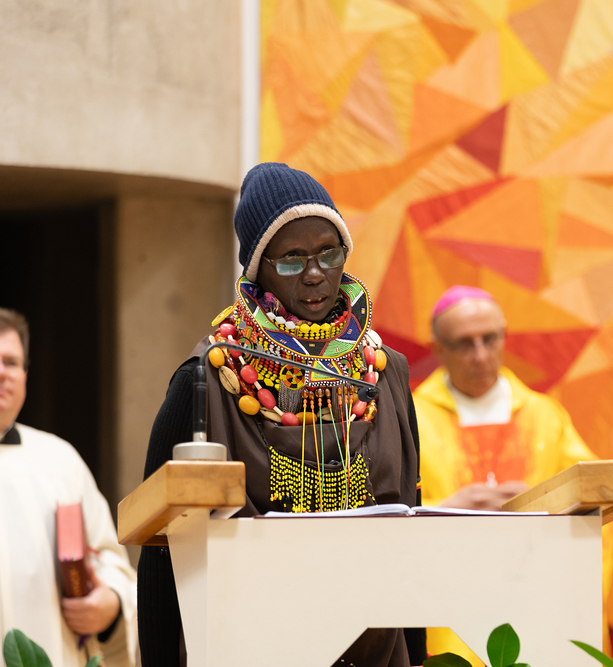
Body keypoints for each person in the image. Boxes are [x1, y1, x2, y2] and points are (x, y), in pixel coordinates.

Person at [138, 163, 424, 667]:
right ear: (258, 269)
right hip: (248, 647)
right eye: (292, 259)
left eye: (329, 253)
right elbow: (162, 548)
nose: (315, 273)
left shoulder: (387, 372)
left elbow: (411, 534)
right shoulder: (207, 378)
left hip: (375, 650)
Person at [414, 286, 603, 663]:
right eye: (464, 344)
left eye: (489, 339)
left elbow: (596, 499)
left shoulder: (545, 416)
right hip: (448, 605)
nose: (481, 356)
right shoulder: (410, 419)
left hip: (537, 598)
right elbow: (380, 512)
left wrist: (541, 502)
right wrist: (445, 508)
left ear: (504, 335)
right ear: (438, 349)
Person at [0, 303, 137, 667]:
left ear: (25, 374)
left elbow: (109, 561)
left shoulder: (59, 461)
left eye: (11, 362)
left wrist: (110, 604)